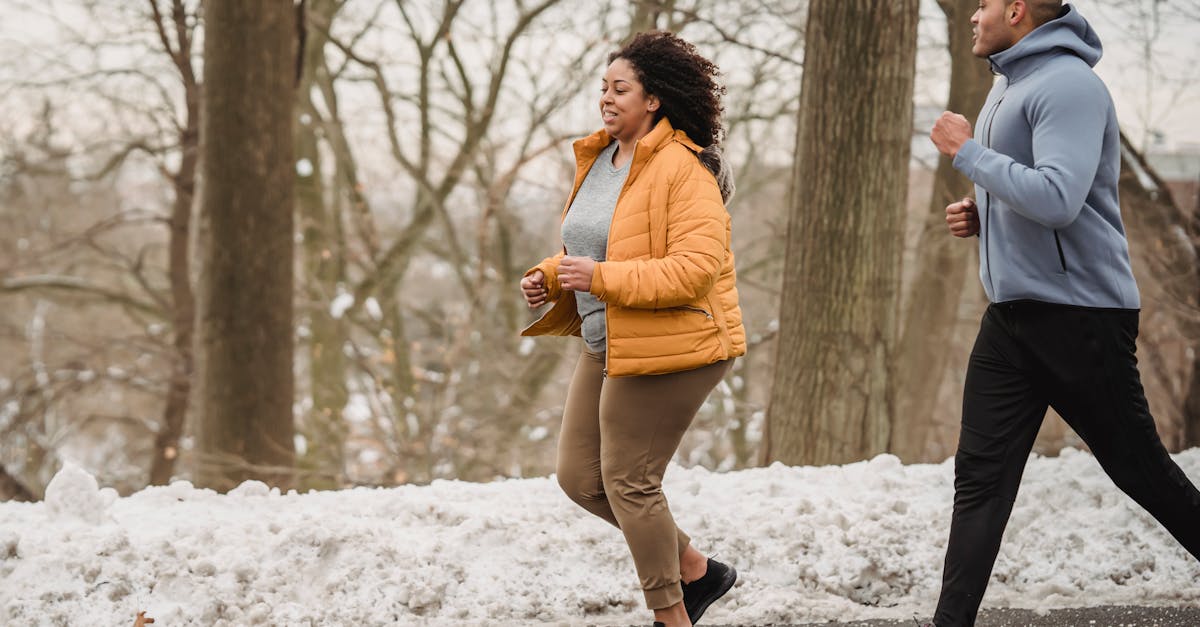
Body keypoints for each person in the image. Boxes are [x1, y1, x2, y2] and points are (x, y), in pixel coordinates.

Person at [928, 1, 1200, 625]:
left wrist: (968, 154)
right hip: (1012, 318)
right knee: (979, 480)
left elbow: (1057, 196)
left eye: (985, 4)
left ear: (1018, 10)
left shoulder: (1071, 86)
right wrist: (983, 216)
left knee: (1143, 473)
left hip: (1081, 317)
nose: (973, 14)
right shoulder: (1008, 84)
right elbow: (1023, 191)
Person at [518, 31, 745, 627]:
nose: (607, 99)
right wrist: (551, 274)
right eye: (603, 88)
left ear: (655, 100)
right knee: (578, 478)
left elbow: (694, 272)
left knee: (628, 482)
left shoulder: (683, 168)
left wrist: (600, 277)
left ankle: (672, 616)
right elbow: (597, 249)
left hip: (678, 342)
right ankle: (696, 567)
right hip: (610, 337)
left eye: (621, 88)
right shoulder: (599, 159)